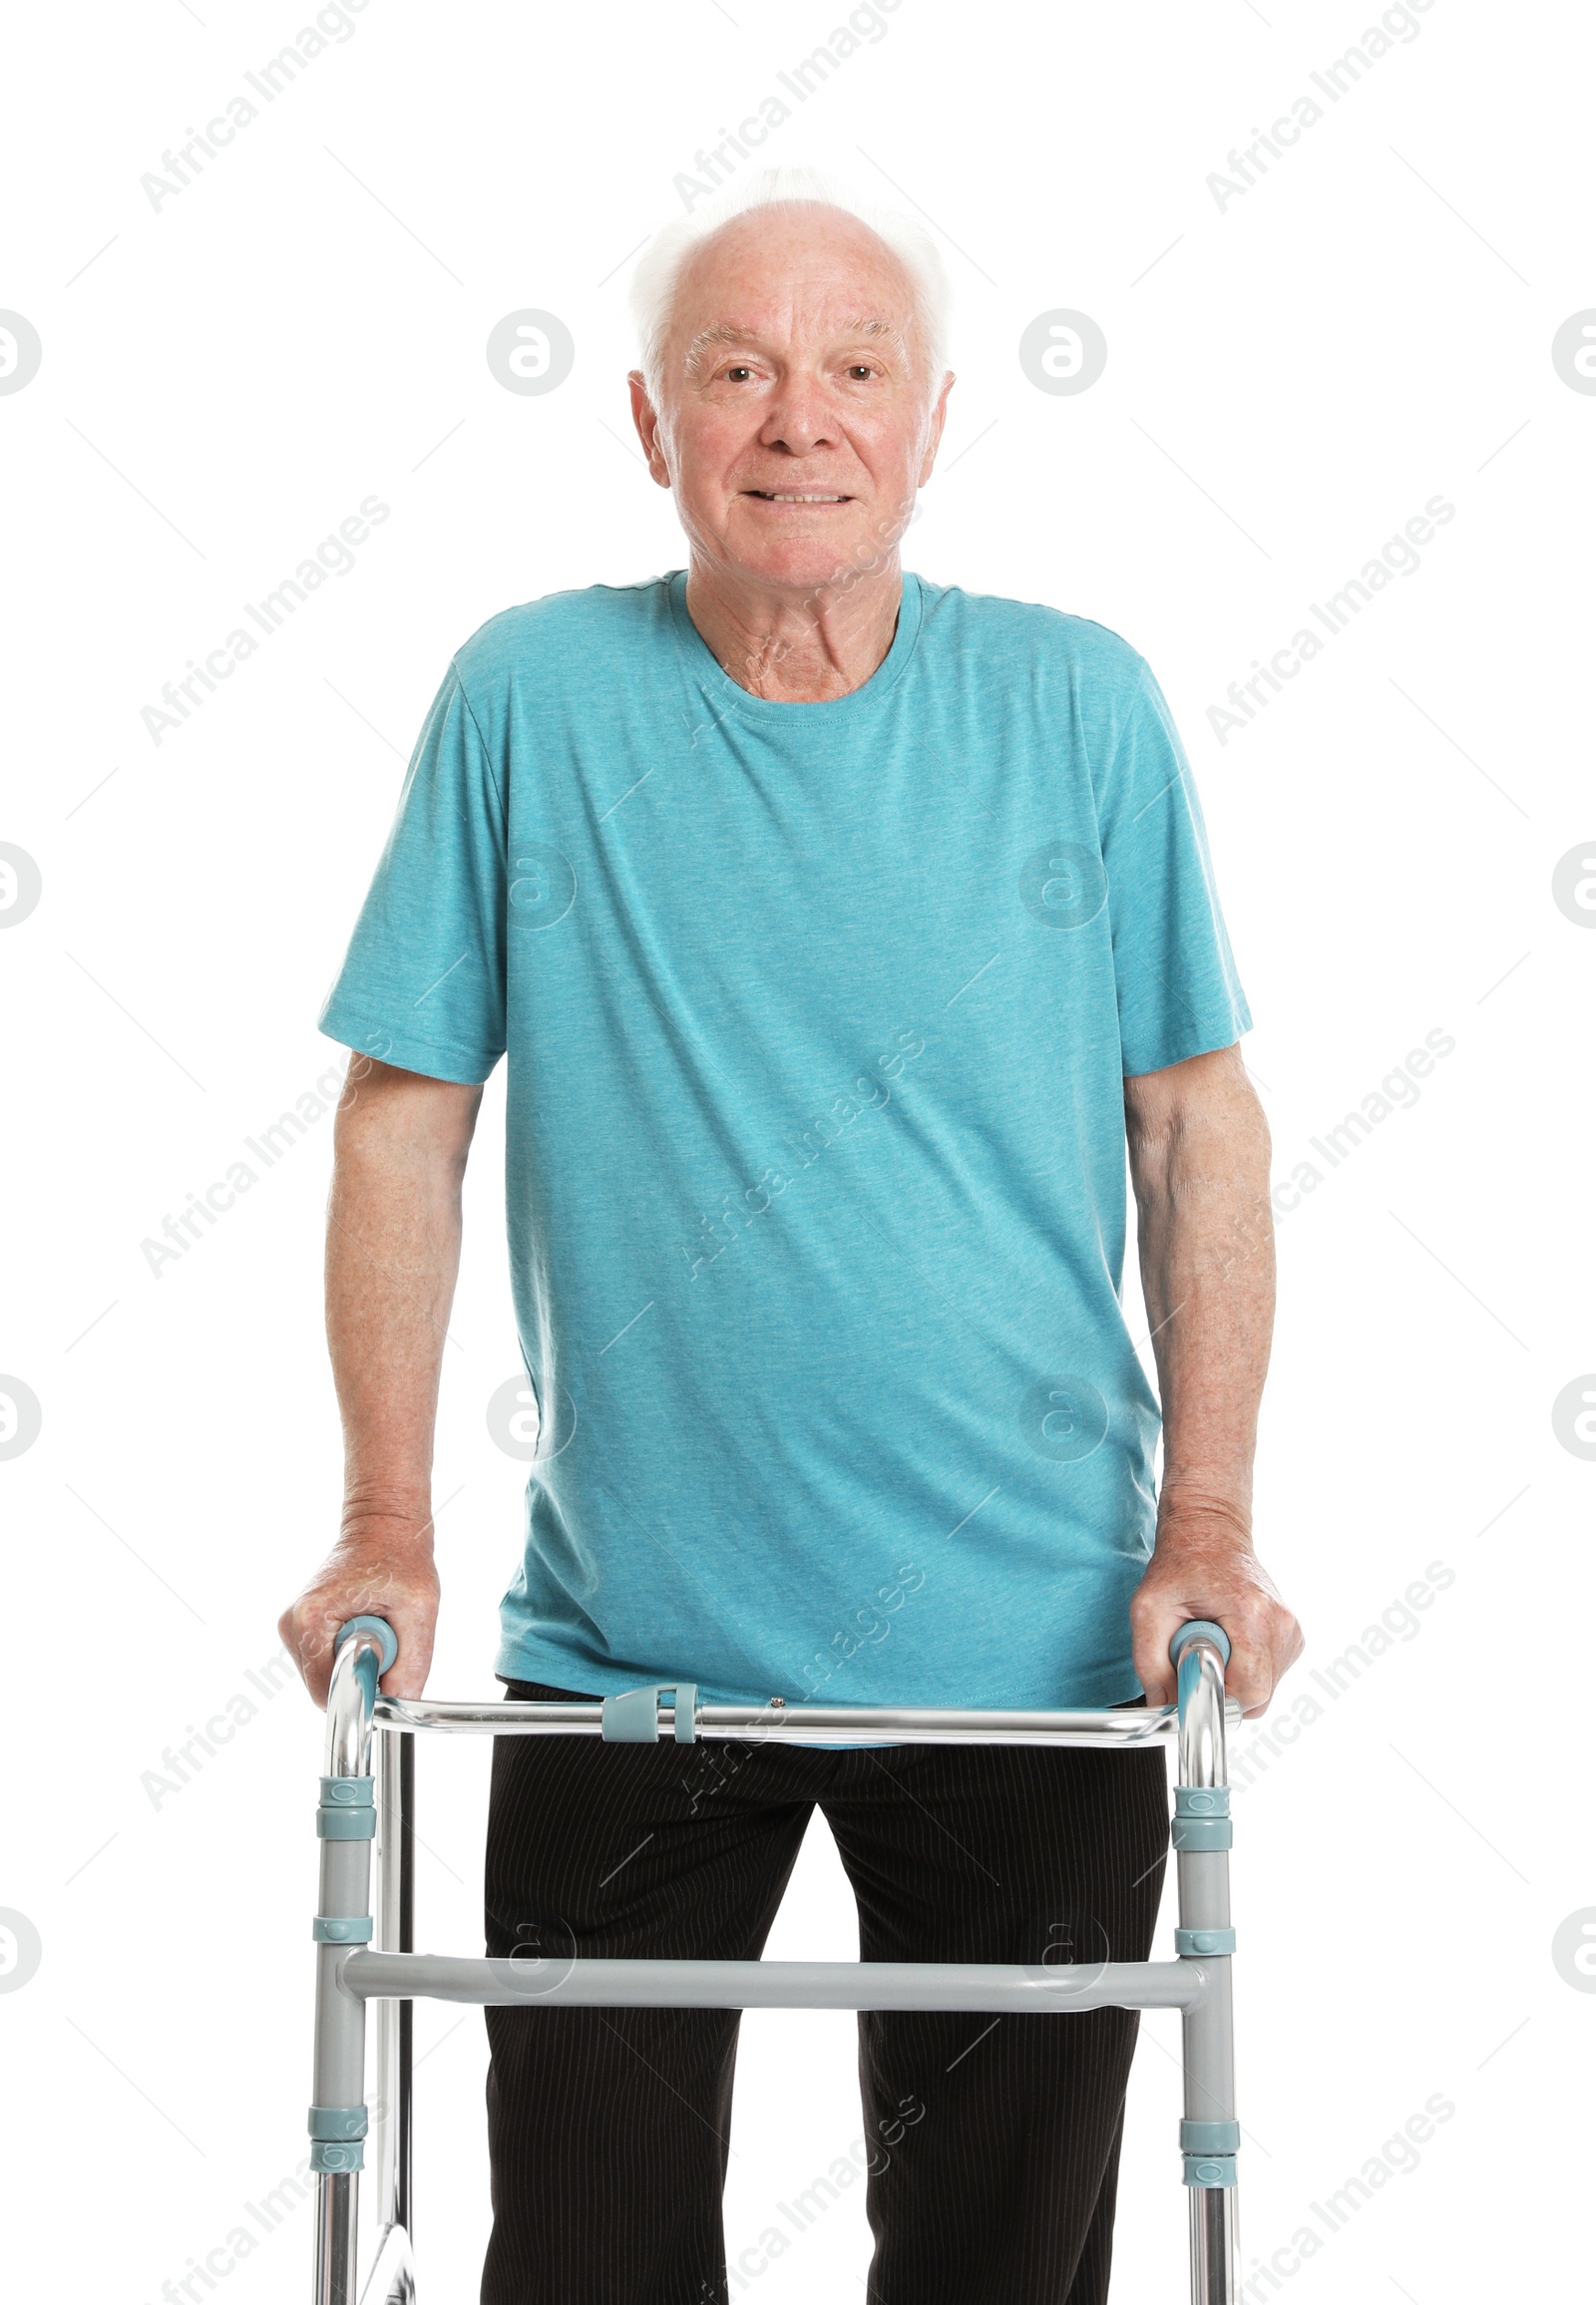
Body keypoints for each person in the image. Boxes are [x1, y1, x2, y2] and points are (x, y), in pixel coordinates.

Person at [279, 164, 1303, 2305]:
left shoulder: (1074, 708)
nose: (795, 420)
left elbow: (1191, 1121)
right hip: (627, 1659)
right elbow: (402, 1120)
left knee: (996, 2265)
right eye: (732, 372)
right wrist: (386, 1518)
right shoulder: (530, 700)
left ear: (928, 421)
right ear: (651, 425)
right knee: (577, 2261)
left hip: (1025, 1657)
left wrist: (1203, 1521)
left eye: (851, 371)